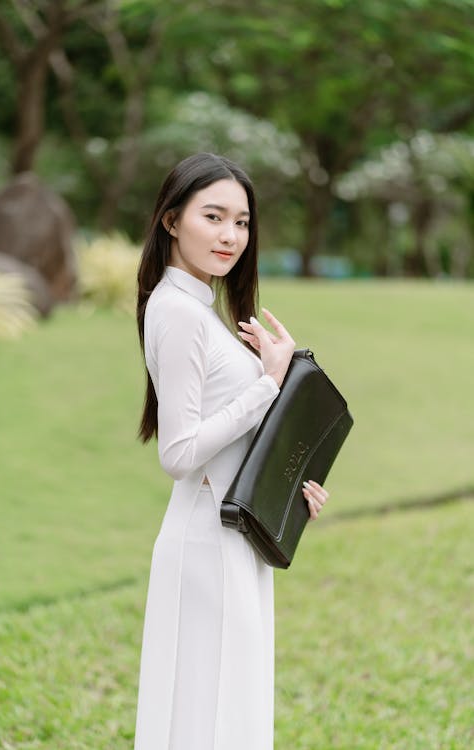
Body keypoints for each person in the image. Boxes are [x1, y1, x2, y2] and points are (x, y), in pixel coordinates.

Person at [133, 152, 329, 750]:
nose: (230, 236)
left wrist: (288, 484)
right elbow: (180, 452)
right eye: (213, 216)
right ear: (171, 220)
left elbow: (233, 439)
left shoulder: (200, 312)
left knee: (223, 707)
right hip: (207, 544)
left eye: (241, 222)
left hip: (230, 534)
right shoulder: (177, 314)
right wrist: (269, 384)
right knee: (210, 713)